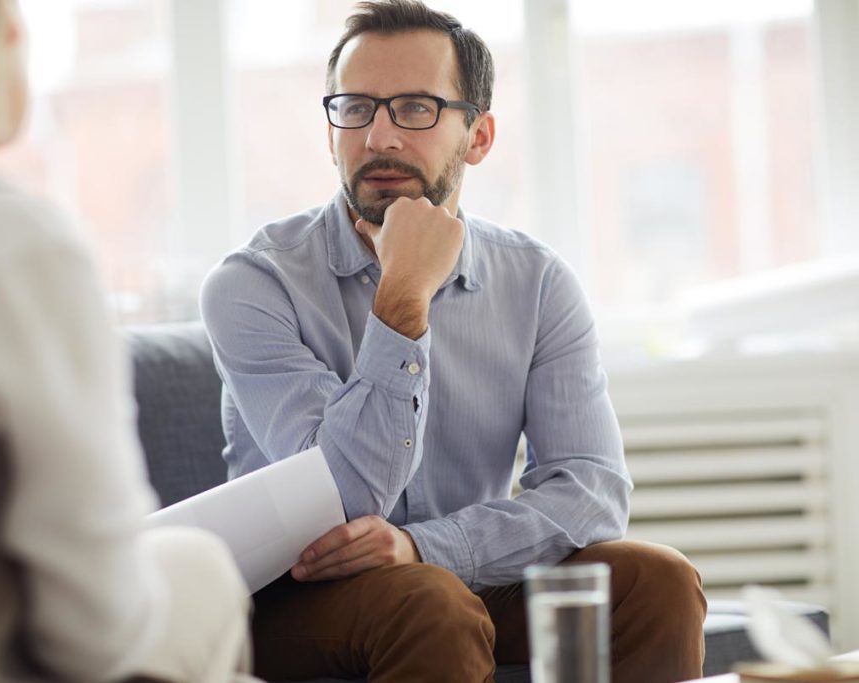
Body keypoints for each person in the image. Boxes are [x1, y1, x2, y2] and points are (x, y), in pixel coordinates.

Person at [200, 1, 707, 681]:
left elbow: (591, 490)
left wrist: (425, 546)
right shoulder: (253, 284)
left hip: (454, 572)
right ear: (330, 133)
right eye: (355, 108)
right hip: (293, 599)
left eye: (415, 108)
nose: (379, 136)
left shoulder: (537, 282)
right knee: (432, 604)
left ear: (479, 136)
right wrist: (403, 295)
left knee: (658, 581)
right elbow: (347, 499)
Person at [0, 2, 255, 681]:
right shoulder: (2, 240)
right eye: (2, 16)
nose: (20, 34)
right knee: (204, 571)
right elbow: (99, 630)